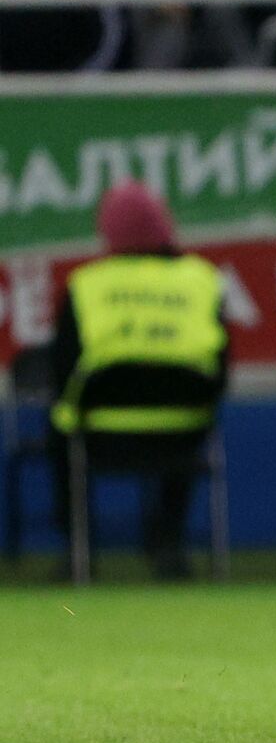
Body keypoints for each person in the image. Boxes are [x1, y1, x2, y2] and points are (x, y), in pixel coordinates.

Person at [48, 181, 229, 581]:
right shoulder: (201, 279)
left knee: (58, 426)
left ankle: (78, 552)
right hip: (184, 431)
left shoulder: (87, 284)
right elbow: (221, 366)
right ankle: (169, 543)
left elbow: (62, 370)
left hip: (100, 433)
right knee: (191, 424)